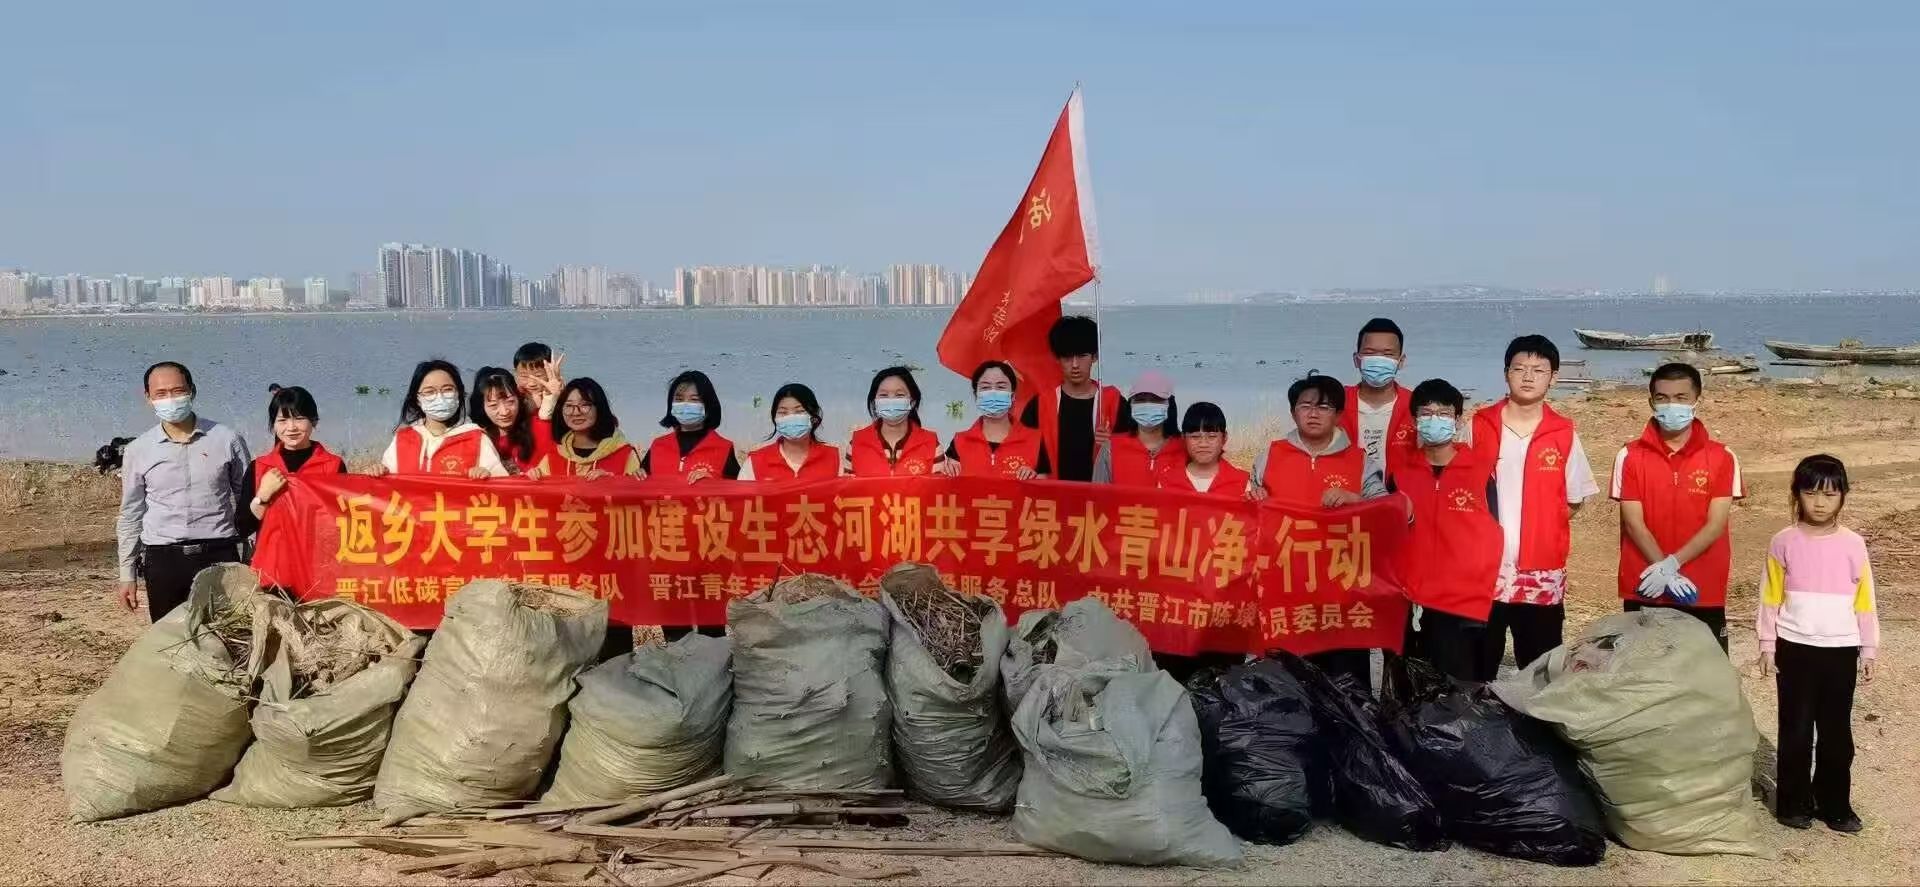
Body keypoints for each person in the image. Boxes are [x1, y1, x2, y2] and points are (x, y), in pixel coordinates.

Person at [1759, 454, 1877, 834]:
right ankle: (1793, 804)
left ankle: (1834, 805)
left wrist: (1868, 648)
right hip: (1794, 647)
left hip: (1841, 649)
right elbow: (1770, 596)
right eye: (1810, 493)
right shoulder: (1782, 542)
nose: (1820, 503)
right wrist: (1767, 643)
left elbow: (1866, 600)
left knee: (1836, 733)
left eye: (1829, 494)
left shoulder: (1854, 544)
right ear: (1797, 495)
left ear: (1843, 496)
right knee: (1795, 729)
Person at [1470, 335, 1600, 676]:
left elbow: (1573, 500)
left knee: (1539, 667)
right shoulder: (1478, 426)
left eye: (1538, 370)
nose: (1528, 377)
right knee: (1477, 665)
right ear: (1506, 373)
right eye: (1519, 369)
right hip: (1484, 570)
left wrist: (1543, 528)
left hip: (1540, 573)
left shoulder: (1563, 433)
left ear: (1553, 377)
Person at [1612, 362, 1743, 651]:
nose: (1672, 405)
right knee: (1642, 668)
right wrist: (1663, 571)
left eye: (1681, 397)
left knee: (1705, 669)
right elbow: (1634, 523)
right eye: (1663, 398)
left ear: (1697, 401)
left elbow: (1715, 525)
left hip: (1701, 589)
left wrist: (1672, 565)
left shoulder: (1722, 456)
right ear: (1651, 402)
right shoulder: (1629, 455)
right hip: (1646, 583)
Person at [115, 361, 252, 622]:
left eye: (178, 391)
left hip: (219, 556)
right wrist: (127, 574)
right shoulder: (138, 450)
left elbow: (248, 501)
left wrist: (254, 558)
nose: (170, 399)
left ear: (192, 391)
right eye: (161, 393)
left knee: (226, 635)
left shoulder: (227, 439)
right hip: (164, 560)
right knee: (170, 638)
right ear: (148, 398)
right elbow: (131, 514)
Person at [1389, 379, 1501, 682]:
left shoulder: (1480, 471)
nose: (1434, 420)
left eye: (1444, 414)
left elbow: (1494, 529)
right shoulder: (1399, 476)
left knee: (1458, 685)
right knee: (1409, 683)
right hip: (1410, 596)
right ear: (1414, 420)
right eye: (1426, 413)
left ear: (1458, 420)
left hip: (1462, 600)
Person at [1020, 315, 1120, 482]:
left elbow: (1137, 452)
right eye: (1067, 357)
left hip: (1102, 495)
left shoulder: (1113, 402)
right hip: (1053, 496)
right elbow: (1024, 454)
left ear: (1095, 356)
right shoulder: (1039, 405)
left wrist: (1113, 445)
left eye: (1081, 356)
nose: (1074, 365)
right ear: (1057, 358)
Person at [1249, 374, 1373, 507]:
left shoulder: (1360, 461)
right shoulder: (1269, 456)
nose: (1313, 414)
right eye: (1305, 406)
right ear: (1293, 413)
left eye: (1323, 407)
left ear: (1338, 415)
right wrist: (1254, 494)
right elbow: (1245, 501)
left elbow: (1384, 507)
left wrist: (1355, 499)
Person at [376, 359, 508, 478]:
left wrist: (486, 476)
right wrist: (377, 472)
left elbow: (502, 487)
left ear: (459, 393)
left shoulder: (477, 439)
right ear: (417, 399)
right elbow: (386, 485)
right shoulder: (403, 439)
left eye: (447, 390)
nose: (440, 397)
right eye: (429, 391)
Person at [246, 385, 346, 525]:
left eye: (299, 418)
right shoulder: (258, 467)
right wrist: (262, 495)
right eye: (282, 420)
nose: (291, 427)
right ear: (273, 425)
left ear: (314, 421)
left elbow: (345, 518)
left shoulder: (334, 466)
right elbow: (243, 527)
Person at [1344, 318, 1419, 501]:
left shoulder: (1417, 406)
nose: (1379, 360)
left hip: (1402, 507)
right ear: (1356, 359)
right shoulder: (1335, 404)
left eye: (1388, 354)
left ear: (1401, 361)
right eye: (1370, 353)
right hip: (1344, 508)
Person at [944, 361, 1047, 479]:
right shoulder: (959, 442)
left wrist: (1034, 480)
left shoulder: (1035, 441)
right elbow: (949, 486)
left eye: (1001, 387)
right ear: (976, 396)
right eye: (985, 387)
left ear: (1012, 396)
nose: (993, 393)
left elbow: (1047, 487)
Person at [528, 377, 645, 479]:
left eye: (585, 405)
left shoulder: (625, 455)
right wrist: (531, 478)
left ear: (599, 408)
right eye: (569, 406)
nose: (576, 412)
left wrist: (612, 483)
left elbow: (636, 493)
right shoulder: (552, 458)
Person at [641, 370, 740, 483]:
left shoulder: (723, 448)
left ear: (708, 405)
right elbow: (639, 487)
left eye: (694, 400)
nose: (685, 405)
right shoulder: (658, 446)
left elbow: (738, 490)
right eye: (679, 399)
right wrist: (637, 476)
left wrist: (713, 483)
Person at [1092, 369, 1184, 486]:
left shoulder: (1185, 448)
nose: (1148, 404)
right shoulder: (1110, 448)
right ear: (1131, 405)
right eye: (1141, 399)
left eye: (1156, 399)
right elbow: (1097, 494)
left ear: (1169, 405)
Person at [847, 366, 942, 477]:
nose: (891, 401)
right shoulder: (856, 444)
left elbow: (939, 487)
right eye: (883, 395)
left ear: (912, 402)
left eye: (899, 395)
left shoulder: (931, 444)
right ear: (874, 402)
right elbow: (848, 487)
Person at [740, 383, 842, 481]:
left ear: (814, 417)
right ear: (775, 418)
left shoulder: (834, 459)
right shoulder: (755, 462)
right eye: (783, 412)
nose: (791, 417)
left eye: (799, 411)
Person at [471, 366, 556, 475]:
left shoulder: (538, 427)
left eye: (510, 402)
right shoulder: (474, 438)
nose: (504, 412)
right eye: (493, 405)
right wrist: (474, 473)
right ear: (481, 407)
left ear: (519, 398)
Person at [1156, 402, 1249, 499]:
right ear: (1183, 438)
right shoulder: (1166, 481)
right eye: (1195, 437)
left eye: (1212, 436)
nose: (1203, 444)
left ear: (1224, 438)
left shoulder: (1243, 484)